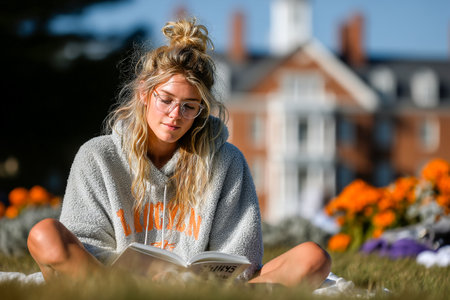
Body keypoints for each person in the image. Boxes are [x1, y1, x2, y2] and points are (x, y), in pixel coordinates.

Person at [27, 18, 331, 288]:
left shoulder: (227, 162)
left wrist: (187, 281)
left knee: (313, 257)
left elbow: (241, 257)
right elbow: (84, 242)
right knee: (44, 234)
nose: (175, 114)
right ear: (145, 93)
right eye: (166, 100)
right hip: (115, 285)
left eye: (189, 106)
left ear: (200, 111)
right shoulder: (98, 157)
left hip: (199, 292)